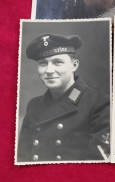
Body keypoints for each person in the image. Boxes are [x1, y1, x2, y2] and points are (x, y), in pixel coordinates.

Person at [17, 34, 110, 162]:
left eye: (57, 62)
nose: (49, 70)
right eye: (43, 63)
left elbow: (96, 166)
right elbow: (23, 158)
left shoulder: (100, 104)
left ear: (75, 65)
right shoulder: (33, 105)